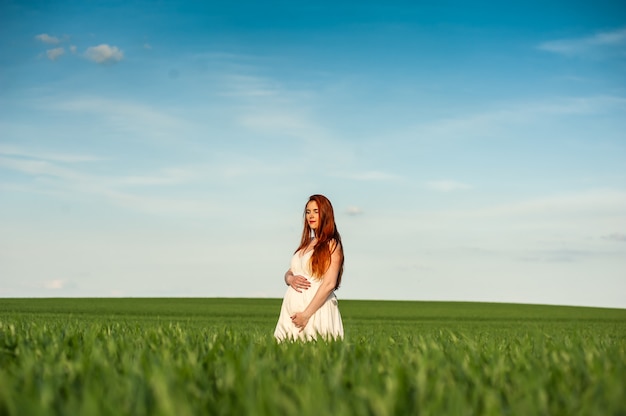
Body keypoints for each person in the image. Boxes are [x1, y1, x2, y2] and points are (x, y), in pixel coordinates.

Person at [274, 194, 344, 342]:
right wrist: (290, 279)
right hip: (291, 313)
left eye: (316, 211)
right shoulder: (307, 243)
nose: (311, 216)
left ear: (325, 213)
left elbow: (330, 284)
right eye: (308, 212)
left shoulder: (332, 244)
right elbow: (291, 270)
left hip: (315, 312)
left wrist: (306, 315)